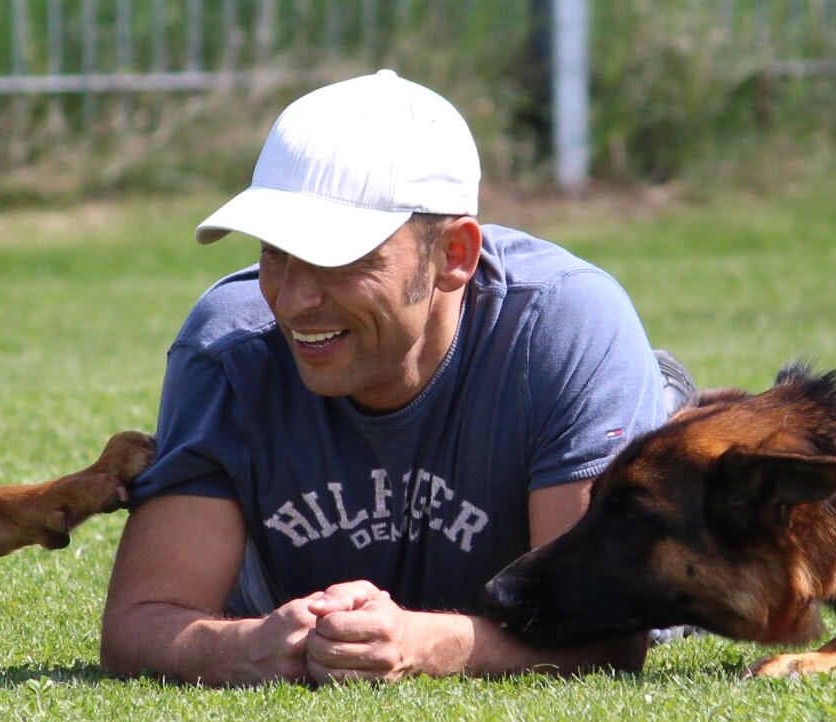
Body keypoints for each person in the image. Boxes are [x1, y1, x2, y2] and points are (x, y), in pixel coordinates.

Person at [99, 70, 693, 686]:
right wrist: (249, 647)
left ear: (454, 256)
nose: (294, 300)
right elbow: (139, 624)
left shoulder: (564, 323)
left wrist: (420, 644)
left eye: (340, 257)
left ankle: (653, 403)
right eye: (274, 252)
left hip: (562, 521)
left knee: (668, 542)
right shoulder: (229, 345)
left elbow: (608, 639)